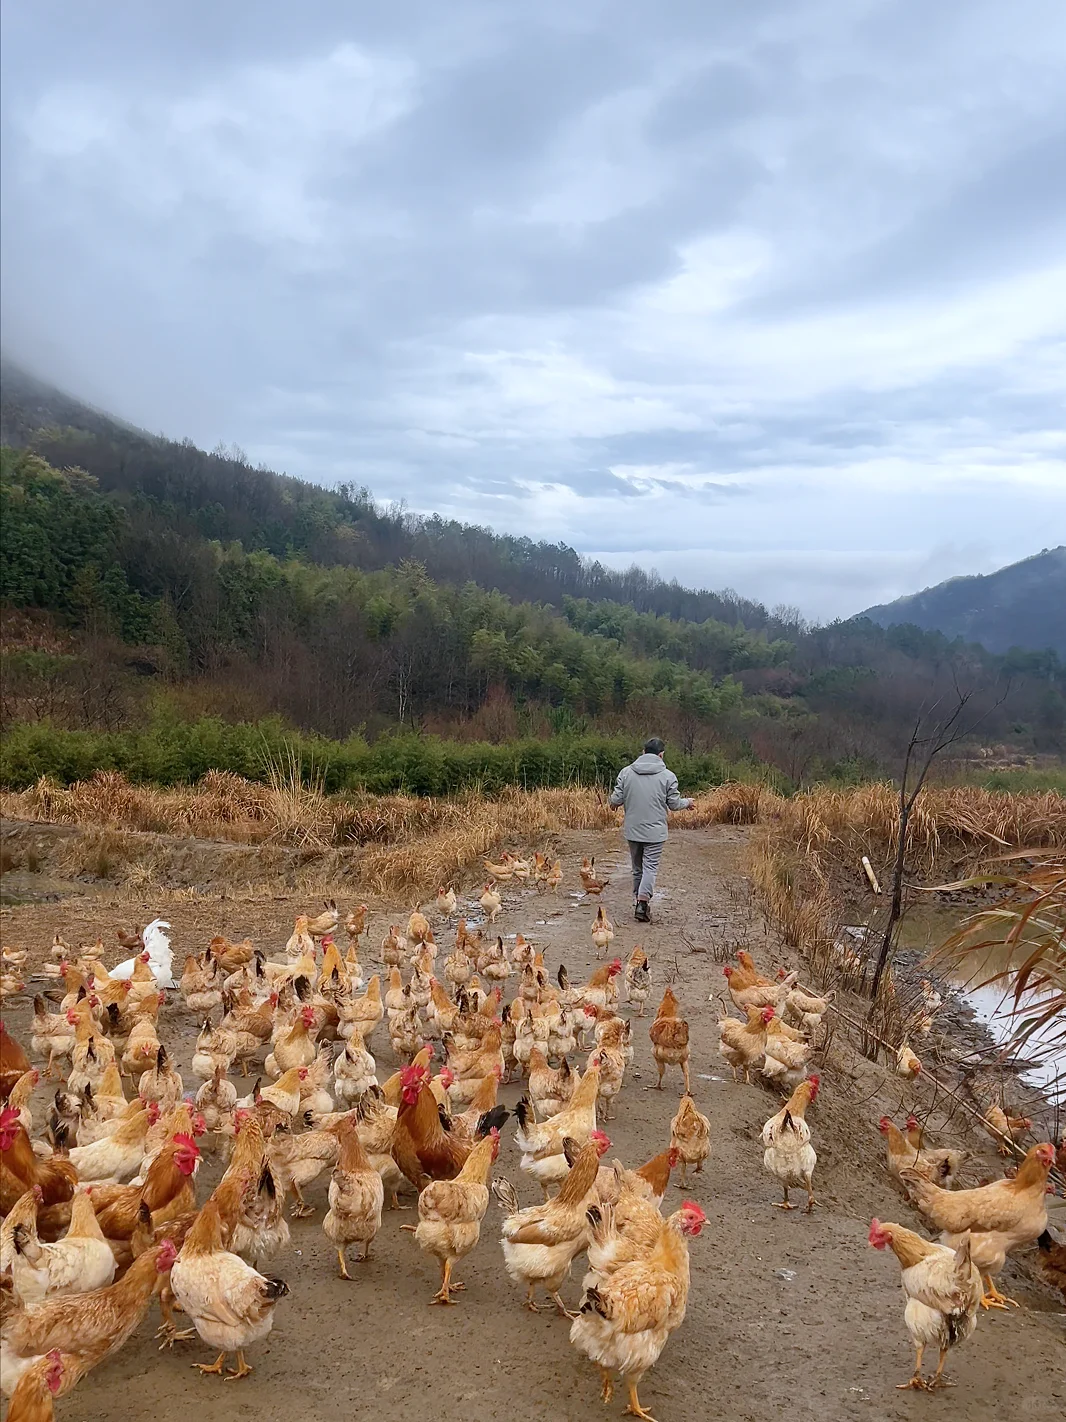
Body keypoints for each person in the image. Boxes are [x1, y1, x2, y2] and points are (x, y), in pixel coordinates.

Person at [608, 738, 693, 922]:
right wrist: (688, 803)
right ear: (661, 755)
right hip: (655, 832)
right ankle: (643, 902)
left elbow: (615, 799)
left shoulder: (626, 772)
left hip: (633, 830)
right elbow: (674, 804)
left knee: (637, 869)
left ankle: (637, 902)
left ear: (643, 751)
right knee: (650, 868)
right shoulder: (668, 776)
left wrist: (613, 804)